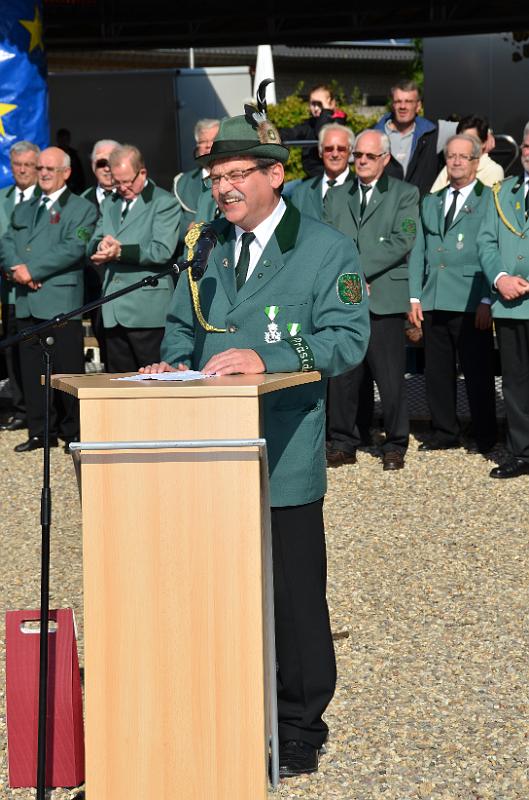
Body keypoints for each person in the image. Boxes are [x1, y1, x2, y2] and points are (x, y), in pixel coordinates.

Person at [139, 101, 370, 778]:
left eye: (237, 174)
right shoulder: (205, 245)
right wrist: (172, 365)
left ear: (274, 175)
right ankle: (226, 701)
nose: (224, 188)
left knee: (293, 597)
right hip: (204, 447)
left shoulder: (324, 248)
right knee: (211, 587)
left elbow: (347, 338)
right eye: (215, 178)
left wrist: (264, 358)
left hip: (281, 449)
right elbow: (182, 327)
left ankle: (298, 724)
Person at [325, 129, 419, 470]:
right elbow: (327, 240)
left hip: (384, 298)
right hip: (345, 298)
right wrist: (351, 276)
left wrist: (359, 270)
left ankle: (395, 443)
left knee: (390, 378)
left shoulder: (405, 193)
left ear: (385, 159)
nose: (361, 161)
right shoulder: (337, 195)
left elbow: (403, 239)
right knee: (343, 377)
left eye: (369, 156)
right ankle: (343, 442)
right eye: (358, 155)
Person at [0, 147, 97, 452]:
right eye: (39, 168)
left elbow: (74, 247)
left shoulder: (81, 208)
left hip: (60, 301)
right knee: (32, 371)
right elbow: (6, 241)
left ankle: (73, 431)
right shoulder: (25, 207)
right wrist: (18, 269)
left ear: (65, 173)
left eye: (49, 169)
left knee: (66, 371)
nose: (42, 173)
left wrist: (33, 270)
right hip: (27, 298)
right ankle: (41, 431)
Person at [408, 133, 497, 453]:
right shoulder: (431, 201)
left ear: (476, 162)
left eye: (463, 156)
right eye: (451, 156)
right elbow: (418, 250)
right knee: (437, 372)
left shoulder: (490, 200)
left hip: (471, 299)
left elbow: (493, 252)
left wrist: (487, 298)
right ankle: (445, 431)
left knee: (477, 372)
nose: (456, 162)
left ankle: (485, 434)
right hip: (434, 298)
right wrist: (414, 296)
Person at [87, 144, 181, 372]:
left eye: (127, 182)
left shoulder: (163, 202)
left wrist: (120, 252)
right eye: (117, 182)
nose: (122, 188)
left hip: (147, 310)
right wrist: (100, 246)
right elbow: (93, 238)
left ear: (142, 173)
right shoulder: (110, 202)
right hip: (113, 307)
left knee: (154, 381)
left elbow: (161, 250)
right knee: (119, 382)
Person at [478, 121, 529, 478]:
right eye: (527, 145)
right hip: (510, 303)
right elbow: (486, 241)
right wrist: (500, 278)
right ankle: (522, 452)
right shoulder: (502, 191)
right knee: (515, 383)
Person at [0, 140, 41, 432]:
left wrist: (30, 270)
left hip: (39, 286)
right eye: (18, 164)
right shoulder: (2, 197)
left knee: (36, 351)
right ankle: (20, 409)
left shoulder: (47, 197)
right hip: (9, 288)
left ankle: (44, 411)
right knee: (12, 349)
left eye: (28, 165)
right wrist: (11, 268)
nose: (23, 170)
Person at [375, 79, 456, 196]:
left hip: (421, 206)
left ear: (418, 106)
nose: (403, 106)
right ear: (393, 105)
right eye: (398, 101)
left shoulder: (434, 131)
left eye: (408, 101)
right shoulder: (373, 135)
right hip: (383, 205)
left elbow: (472, 129)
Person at [81, 138, 120, 367]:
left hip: (129, 290)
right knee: (107, 353)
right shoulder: (82, 201)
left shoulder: (133, 197)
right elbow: (80, 237)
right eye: (101, 163)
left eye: (111, 162)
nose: (106, 168)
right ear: (92, 166)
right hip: (95, 287)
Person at [279, 83, 348, 178]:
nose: (315, 108)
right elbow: (295, 132)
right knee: (286, 187)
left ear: (331, 104)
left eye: (320, 104)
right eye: (313, 104)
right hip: (312, 176)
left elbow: (323, 133)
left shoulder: (337, 121)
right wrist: (274, 135)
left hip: (329, 177)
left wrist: (326, 111)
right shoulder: (310, 123)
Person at [290, 123, 355, 219]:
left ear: (350, 152)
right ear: (320, 152)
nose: (335, 154)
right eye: (329, 149)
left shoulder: (362, 189)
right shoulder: (301, 193)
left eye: (341, 149)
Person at [173, 118, 220, 246]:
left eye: (213, 140)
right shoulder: (181, 183)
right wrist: (188, 228)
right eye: (203, 141)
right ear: (197, 146)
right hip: (189, 252)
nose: (208, 145)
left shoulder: (235, 179)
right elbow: (170, 221)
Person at [431, 115, 504, 192]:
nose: (464, 144)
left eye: (471, 140)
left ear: (484, 143)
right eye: (461, 139)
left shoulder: (493, 170)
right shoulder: (452, 165)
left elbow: (488, 198)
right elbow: (433, 196)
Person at [55, 127, 86, 194]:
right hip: (58, 186)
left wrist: (80, 187)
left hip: (74, 187)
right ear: (58, 140)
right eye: (62, 139)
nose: (65, 142)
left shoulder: (74, 154)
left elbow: (79, 172)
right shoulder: (53, 154)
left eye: (67, 139)